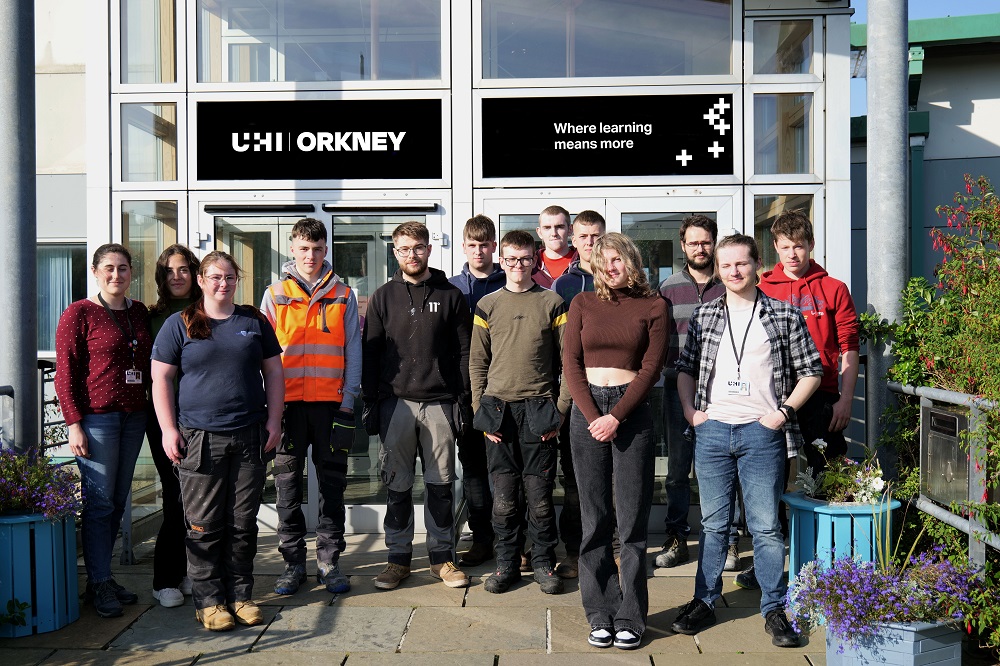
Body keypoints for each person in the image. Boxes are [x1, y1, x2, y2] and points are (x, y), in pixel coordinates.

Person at [670, 234, 822, 648]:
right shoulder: (704, 316)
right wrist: (691, 412)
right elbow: (684, 367)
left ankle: (774, 609)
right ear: (717, 270)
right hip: (713, 430)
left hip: (762, 433)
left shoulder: (784, 315)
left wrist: (783, 413)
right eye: (726, 266)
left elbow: (812, 370)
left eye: (741, 264)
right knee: (714, 525)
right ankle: (705, 599)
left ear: (757, 264)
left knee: (766, 528)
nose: (734, 272)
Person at [151, 251, 284, 632]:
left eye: (229, 277)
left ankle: (240, 595)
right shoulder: (180, 324)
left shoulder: (253, 321)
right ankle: (209, 602)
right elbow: (160, 379)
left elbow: (273, 372)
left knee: (242, 524)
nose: (222, 284)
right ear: (201, 280)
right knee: (203, 525)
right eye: (214, 277)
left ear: (236, 280)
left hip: (249, 436)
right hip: (199, 438)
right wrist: (168, 429)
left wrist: (275, 420)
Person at [727, 210, 860, 589]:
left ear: (811, 246)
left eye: (798, 247)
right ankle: (773, 561)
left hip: (823, 397)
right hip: (773, 397)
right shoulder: (763, 286)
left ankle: (825, 560)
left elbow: (849, 347)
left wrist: (847, 399)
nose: (791, 255)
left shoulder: (833, 288)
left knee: (826, 473)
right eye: (784, 247)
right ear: (774, 248)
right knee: (772, 481)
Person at [563, 233, 667, 649]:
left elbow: (651, 368)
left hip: (632, 414)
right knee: (594, 516)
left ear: (632, 262)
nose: (611, 266)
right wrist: (594, 417)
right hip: (587, 413)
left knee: (631, 519)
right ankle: (599, 611)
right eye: (603, 259)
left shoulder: (655, 305)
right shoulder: (582, 304)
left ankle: (631, 615)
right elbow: (569, 362)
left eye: (618, 259)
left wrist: (616, 416)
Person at [362, 221, 472, 590]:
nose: (412, 254)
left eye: (419, 247)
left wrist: (463, 400)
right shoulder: (382, 297)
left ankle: (442, 559)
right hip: (396, 404)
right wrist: (372, 402)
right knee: (397, 486)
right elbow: (371, 353)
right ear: (395, 251)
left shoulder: (451, 294)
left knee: (441, 485)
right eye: (405, 248)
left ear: (429, 249)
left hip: (440, 403)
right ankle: (397, 560)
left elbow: (464, 352)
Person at [261, 218, 362, 596]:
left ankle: (329, 562)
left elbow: (353, 349)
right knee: (286, 487)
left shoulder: (343, 294)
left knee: (333, 488)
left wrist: (349, 400)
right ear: (292, 249)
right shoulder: (274, 294)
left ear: (326, 250)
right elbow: (264, 356)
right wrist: (269, 408)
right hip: (286, 408)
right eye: (304, 248)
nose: (311, 256)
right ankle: (292, 565)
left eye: (317, 249)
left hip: (331, 406)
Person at [470, 230, 571, 595]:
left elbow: (568, 362)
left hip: (539, 409)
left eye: (525, 259)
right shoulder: (488, 304)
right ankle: (506, 564)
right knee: (504, 500)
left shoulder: (552, 302)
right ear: (502, 260)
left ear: (536, 259)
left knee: (541, 497)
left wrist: (559, 411)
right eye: (511, 259)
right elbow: (477, 362)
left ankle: (543, 562)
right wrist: (481, 411)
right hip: (498, 411)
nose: (517, 265)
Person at [55, 243, 153, 619]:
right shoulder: (79, 313)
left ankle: (104, 576)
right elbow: (65, 373)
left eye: (123, 268)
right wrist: (74, 424)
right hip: (97, 419)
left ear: (131, 273)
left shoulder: (139, 312)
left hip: (134, 417)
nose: (117, 275)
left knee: (115, 501)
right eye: (109, 268)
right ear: (95, 272)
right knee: (98, 504)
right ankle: (96, 584)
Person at [654, 215, 733, 571]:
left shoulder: (730, 283)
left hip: (723, 390)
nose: (700, 248)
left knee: (721, 468)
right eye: (693, 243)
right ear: (683, 246)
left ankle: (726, 540)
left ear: (713, 243)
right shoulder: (668, 288)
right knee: (677, 470)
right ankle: (677, 538)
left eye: (705, 242)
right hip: (675, 388)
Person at [549, 210, 606, 579]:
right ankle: (573, 550)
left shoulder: (618, 276)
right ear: (574, 238)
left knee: (609, 478)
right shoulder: (563, 286)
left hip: (610, 386)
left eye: (596, 235)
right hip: (571, 387)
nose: (589, 242)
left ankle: (611, 547)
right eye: (583, 236)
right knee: (573, 477)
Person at [146, 245, 202, 608]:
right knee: (174, 496)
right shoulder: (150, 317)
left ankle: (188, 573)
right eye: (169, 271)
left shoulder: (209, 311)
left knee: (198, 502)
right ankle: (164, 578)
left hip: (202, 418)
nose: (177, 276)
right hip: (164, 419)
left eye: (183, 269)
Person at [448, 214, 505, 567]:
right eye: (472, 245)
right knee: (473, 469)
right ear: (464, 246)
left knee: (508, 469)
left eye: (485, 244)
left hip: (505, 389)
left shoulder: (510, 281)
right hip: (466, 392)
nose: (479, 251)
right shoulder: (453, 287)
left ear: (494, 246)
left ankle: (514, 539)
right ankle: (482, 537)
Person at [531, 205, 578, 289]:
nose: (554, 233)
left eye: (559, 227)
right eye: (547, 228)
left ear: (570, 229)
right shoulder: (529, 266)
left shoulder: (583, 263)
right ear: (539, 232)